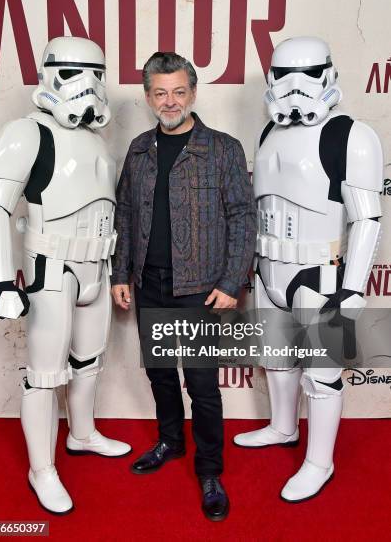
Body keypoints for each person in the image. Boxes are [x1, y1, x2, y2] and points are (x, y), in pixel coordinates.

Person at [0, 36, 132, 515]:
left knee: (89, 361)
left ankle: (82, 434)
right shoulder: (25, 133)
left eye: (96, 75)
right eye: (71, 73)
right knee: (45, 376)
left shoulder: (97, 140)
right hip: (52, 269)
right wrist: (2, 281)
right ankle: (41, 469)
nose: (86, 86)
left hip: (97, 267)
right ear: (48, 75)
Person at [234, 36, 383, 502]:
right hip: (269, 270)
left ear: (329, 74)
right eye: (283, 76)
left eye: (308, 74)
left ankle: (320, 461)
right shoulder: (266, 132)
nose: (295, 87)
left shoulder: (351, 135)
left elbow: (368, 217)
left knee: (321, 372)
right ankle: (282, 427)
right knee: (277, 361)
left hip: (321, 273)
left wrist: (353, 287)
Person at [111, 51, 255, 521]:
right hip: (149, 283)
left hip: (200, 289)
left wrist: (232, 280)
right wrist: (119, 274)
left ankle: (210, 468)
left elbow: (242, 216)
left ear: (192, 93)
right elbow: (126, 215)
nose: (169, 101)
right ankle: (170, 441)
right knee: (159, 375)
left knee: (202, 385)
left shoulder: (223, 148)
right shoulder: (137, 150)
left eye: (178, 91)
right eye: (159, 93)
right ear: (148, 96)